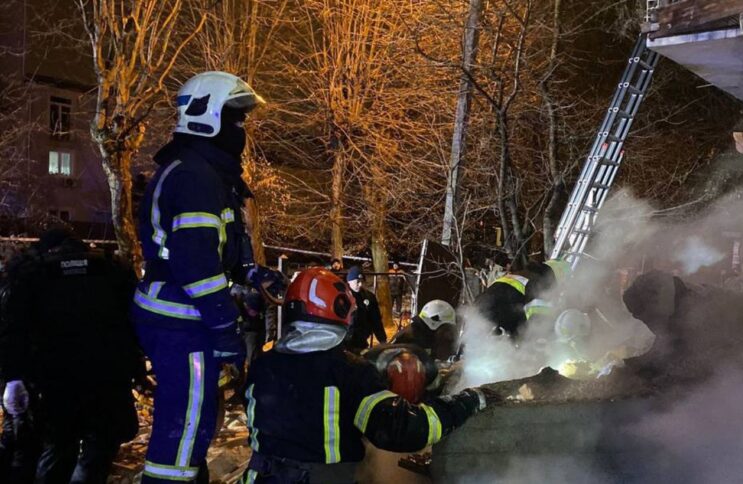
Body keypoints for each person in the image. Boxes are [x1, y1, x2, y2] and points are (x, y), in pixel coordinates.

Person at [241, 268, 495, 483]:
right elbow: (404, 430)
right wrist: (467, 401)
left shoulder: (262, 366)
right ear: (339, 312)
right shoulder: (348, 371)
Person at [132, 71, 265, 482]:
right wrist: (224, 325)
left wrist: (251, 274)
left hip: (184, 317)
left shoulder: (204, 172)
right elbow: (195, 262)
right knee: (184, 425)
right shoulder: (195, 176)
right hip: (180, 319)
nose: (241, 129)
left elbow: (215, 249)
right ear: (207, 116)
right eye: (236, 118)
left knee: (196, 419)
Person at [0, 228, 141, 483]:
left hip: (55, 384)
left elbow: (12, 330)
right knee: (98, 450)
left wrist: (13, 378)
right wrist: (136, 370)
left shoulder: (31, 273)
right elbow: (135, 323)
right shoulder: (110, 269)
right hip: (107, 379)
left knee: (57, 451)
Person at [391, 299, 459, 362]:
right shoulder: (410, 339)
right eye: (446, 328)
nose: (448, 334)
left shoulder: (424, 332)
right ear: (434, 323)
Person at [345, 265, 387, 352]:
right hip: (344, 342)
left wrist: (383, 340)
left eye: (361, 281)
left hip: (361, 341)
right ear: (349, 281)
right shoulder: (342, 297)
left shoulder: (369, 297)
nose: (360, 284)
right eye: (357, 281)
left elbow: (376, 320)